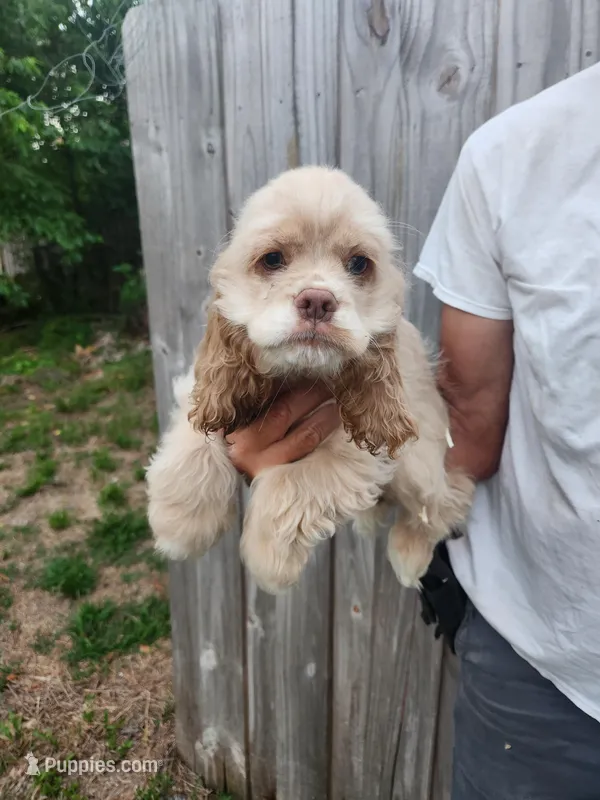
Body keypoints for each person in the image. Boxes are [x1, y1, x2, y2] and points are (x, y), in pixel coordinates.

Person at [225, 62, 600, 798]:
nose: (318, 287)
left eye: (356, 265)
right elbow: (468, 432)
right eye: (276, 258)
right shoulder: (513, 157)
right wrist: (314, 441)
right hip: (550, 671)